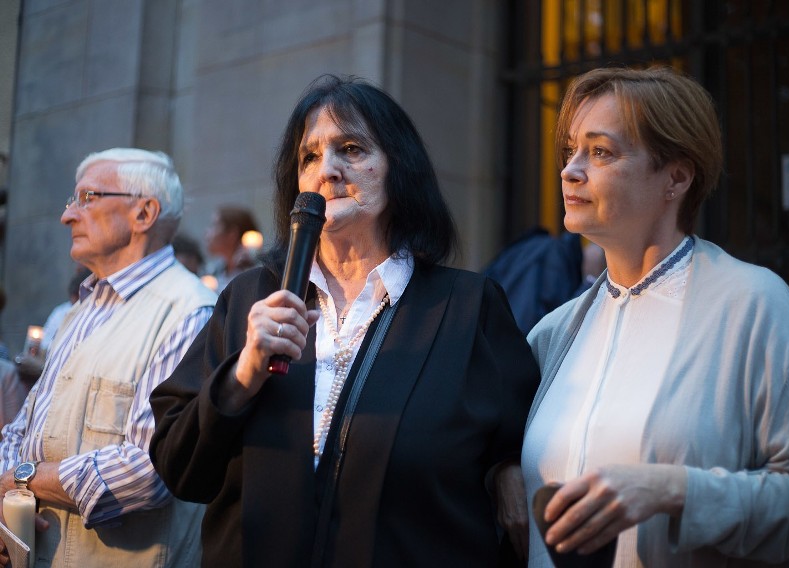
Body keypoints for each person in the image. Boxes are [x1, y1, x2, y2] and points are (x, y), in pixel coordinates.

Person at [148, 74, 540, 567]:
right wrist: (241, 377)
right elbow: (179, 470)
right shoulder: (249, 297)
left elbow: (528, 439)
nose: (326, 171)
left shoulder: (466, 306)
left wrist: (507, 467)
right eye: (308, 156)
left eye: (351, 148)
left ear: (400, 169)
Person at [520, 66, 789, 567]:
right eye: (570, 151)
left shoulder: (753, 304)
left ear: (676, 177)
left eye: (600, 151)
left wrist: (671, 489)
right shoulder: (553, 333)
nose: (570, 170)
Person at [0, 148, 217, 567]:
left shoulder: (190, 311)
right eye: (71, 201)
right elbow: (21, 430)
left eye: (88, 198)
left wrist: (23, 479)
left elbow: (151, 467)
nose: (68, 216)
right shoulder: (83, 309)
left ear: (144, 213)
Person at [203, 205, 260, 292]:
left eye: (214, 225)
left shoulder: (256, 271)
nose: (207, 231)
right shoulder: (212, 272)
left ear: (232, 234)